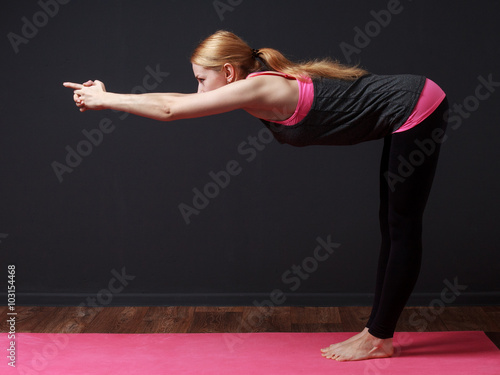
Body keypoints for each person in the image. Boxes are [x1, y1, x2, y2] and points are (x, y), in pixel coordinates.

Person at [63, 30, 448, 361]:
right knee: (391, 224)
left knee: (401, 225)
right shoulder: (251, 89)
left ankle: (378, 338)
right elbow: (176, 98)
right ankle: (375, 334)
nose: (197, 89)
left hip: (416, 107)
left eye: (202, 79)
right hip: (404, 110)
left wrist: (107, 98)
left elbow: (170, 108)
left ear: (229, 72)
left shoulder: (260, 85)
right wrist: (113, 94)